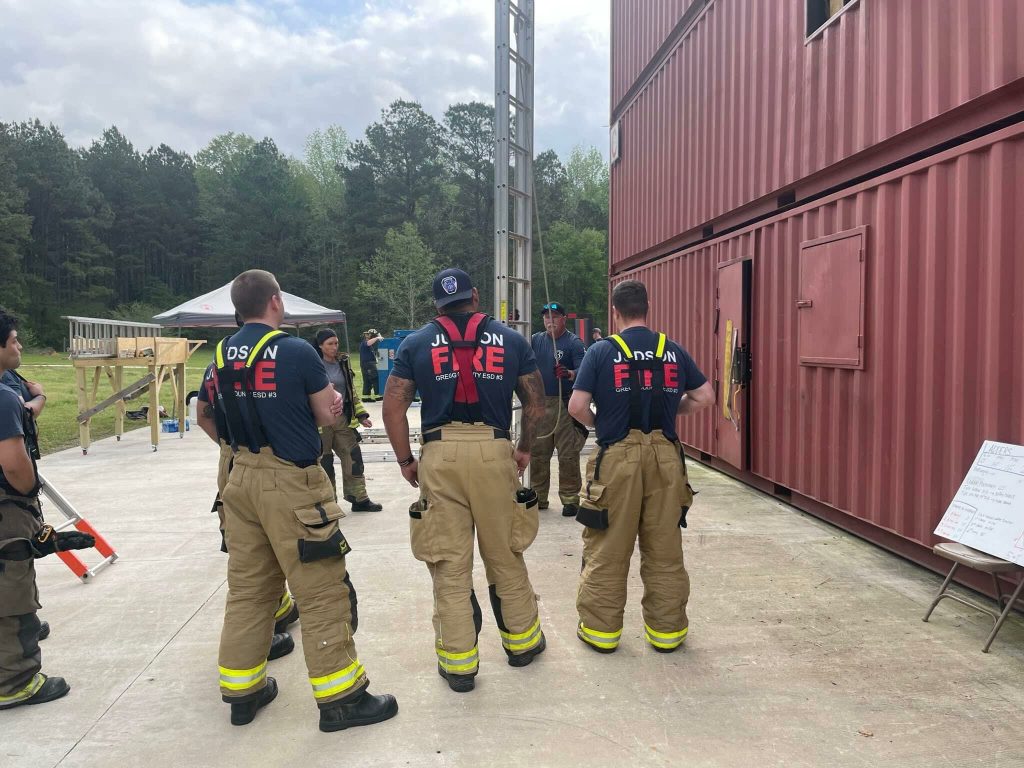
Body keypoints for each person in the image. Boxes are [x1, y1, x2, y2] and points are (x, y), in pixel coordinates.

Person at [209, 270, 397, 732]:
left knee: (250, 591)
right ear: (275, 302)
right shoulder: (296, 351)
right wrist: (330, 405)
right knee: (320, 590)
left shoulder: (220, 355)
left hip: (239, 478)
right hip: (291, 482)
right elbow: (325, 410)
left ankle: (242, 693)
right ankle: (342, 700)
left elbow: (208, 414)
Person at [382, 268, 547, 693]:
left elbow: (393, 407)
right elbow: (534, 402)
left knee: (449, 565)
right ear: (475, 296)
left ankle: (459, 666)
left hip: (440, 456)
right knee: (505, 554)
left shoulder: (415, 343)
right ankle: (523, 644)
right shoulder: (511, 340)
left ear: (435, 304)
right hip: (494, 453)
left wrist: (406, 460)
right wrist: (523, 449)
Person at [567, 280, 715, 654]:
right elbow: (704, 396)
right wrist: (675, 409)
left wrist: (603, 424)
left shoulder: (601, 352)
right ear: (648, 306)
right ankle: (667, 634)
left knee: (608, 547)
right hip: (666, 457)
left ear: (615, 311)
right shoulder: (672, 350)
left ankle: (601, 633)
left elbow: (576, 406)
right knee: (664, 548)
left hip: (618, 457)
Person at [0, 309, 95, 710]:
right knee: (12, 589)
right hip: (6, 508)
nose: (19, 345)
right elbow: (14, 464)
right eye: (15, 340)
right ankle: (16, 681)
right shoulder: (4, 398)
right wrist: (27, 494)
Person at [196, 361, 299, 658]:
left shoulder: (215, 365)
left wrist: (230, 446)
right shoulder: (280, 357)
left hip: (232, 457)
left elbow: (203, 416)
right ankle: (261, 632)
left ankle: (279, 611)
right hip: (275, 457)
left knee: (246, 543)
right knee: (271, 543)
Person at [313, 328, 382, 512]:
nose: (334, 347)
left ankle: (359, 498)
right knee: (324, 462)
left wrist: (361, 415)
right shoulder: (312, 364)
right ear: (320, 346)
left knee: (353, 456)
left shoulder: (343, 362)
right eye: (330, 344)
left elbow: (351, 391)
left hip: (343, 419)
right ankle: (328, 504)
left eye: (336, 343)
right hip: (320, 422)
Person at [529, 302, 587, 517]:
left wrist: (570, 373)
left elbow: (585, 368)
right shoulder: (536, 340)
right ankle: (538, 496)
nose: (550, 321)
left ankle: (570, 499)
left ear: (564, 318)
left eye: (554, 316)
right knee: (538, 453)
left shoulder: (573, 343)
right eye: (546, 317)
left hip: (564, 404)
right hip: (541, 404)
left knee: (568, 454)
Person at [359, 329, 383, 402]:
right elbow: (368, 343)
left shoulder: (369, 346)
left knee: (367, 381)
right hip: (368, 364)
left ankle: (366, 397)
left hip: (366, 364)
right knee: (375, 378)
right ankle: (378, 396)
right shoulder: (365, 343)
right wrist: (377, 338)